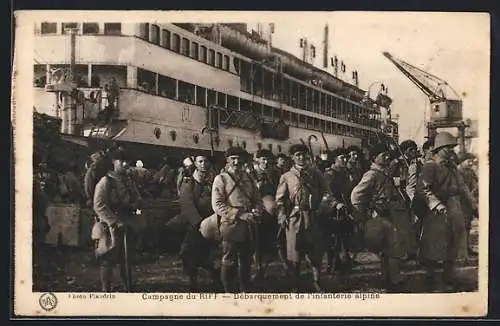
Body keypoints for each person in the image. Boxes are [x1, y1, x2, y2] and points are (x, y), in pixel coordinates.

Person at [351, 142, 418, 292]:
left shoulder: (384, 172)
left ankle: (387, 278)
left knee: (389, 249)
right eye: (383, 154)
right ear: (375, 158)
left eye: (388, 154)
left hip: (390, 215)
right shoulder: (372, 174)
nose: (387, 156)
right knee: (394, 248)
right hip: (381, 216)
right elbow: (356, 196)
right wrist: (365, 212)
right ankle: (394, 280)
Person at [417, 132, 478, 292]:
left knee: (453, 244)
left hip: (454, 206)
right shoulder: (430, 166)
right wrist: (436, 204)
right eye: (448, 147)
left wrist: (473, 204)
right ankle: (430, 278)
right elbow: (423, 189)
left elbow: (463, 187)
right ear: (440, 148)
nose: (452, 150)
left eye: (452, 147)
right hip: (437, 211)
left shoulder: (452, 166)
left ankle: (448, 278)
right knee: (434, 246)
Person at [275, 144, 330, 292]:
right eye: (298, 155)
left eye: (303, 155)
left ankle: (316, 281)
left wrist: (321, 208)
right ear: (293, 157)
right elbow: (279, 199)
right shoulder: (286, 176)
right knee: (295, 253)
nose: (301, 157)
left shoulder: (316, 173)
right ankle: (295, 283)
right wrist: (282, 214)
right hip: (295, 218)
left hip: (313, 217)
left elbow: (327, 193)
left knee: (315, 252)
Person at [212, 147, 263, 293]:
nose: (236, 161)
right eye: (233, 158)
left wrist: (257, 211)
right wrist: (240, 215)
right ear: (227, 160)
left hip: (249, 225)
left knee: (246, 260)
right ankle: (228, 292)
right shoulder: (221, 179)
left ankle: (244, 291)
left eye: (239, 159)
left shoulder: (249, 178)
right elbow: (217, 205)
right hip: (231, 225)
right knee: (229, 260)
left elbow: (258, 199)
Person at [92, 150, 142, 292]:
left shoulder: (128, 180)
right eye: (121, 161)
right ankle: (105, 289)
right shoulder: (106, 181)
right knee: (108, 258)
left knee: (126, 258)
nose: (125, 164)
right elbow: (99, 205)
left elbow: (136, 197)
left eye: (127, 161)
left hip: (128, 222)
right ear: (114, 163)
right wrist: (114, 221)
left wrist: (137, 203)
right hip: (110, 226)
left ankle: (128, 286)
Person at [178, 155, 220, 291]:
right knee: (188, 251)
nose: (203, 164)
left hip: (211, 221)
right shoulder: (189, 181)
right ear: (195, 164)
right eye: (200, 161)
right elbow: (186, 203)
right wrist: (197, 222)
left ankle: (216, 276)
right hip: (194, 222)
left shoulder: (214, 180)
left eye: (206, 161)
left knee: (207, 252)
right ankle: (192, 279)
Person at [321, 147, 356, 273]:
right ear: (335, 159)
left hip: (346, 208)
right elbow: (326, 193)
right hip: (332, 210)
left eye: (346, 157)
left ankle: (344, 261)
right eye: (342, 157)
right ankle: (331, 264)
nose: (345, 159)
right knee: (333, 239)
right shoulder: (329, 174)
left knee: (346, 237)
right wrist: (335, 203)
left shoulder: (346, 173)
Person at [250, 148, 282, 280]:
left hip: (272, 213)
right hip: (256, 211)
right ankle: (258, 268)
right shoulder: (251, 174)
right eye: (263, 159)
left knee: (271, 241)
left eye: (268, 159)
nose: (266, 162)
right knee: (256, 242)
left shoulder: (276, 174)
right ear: (258, 160)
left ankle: (263, 269)